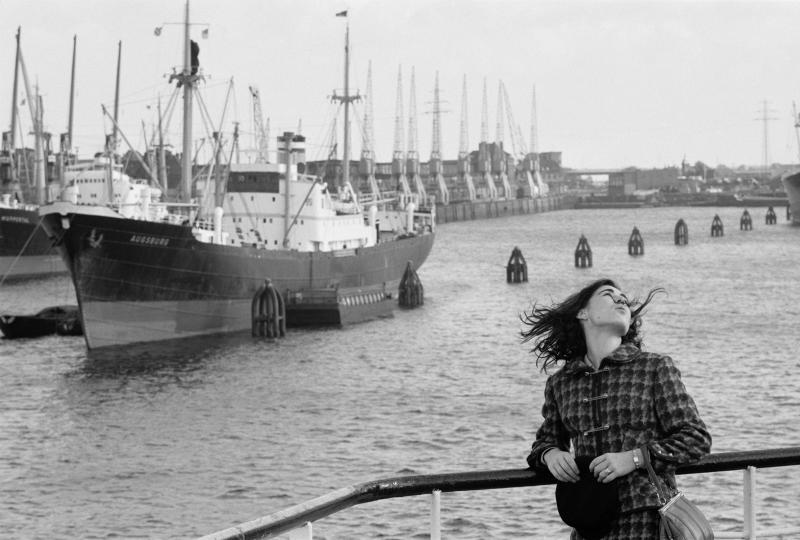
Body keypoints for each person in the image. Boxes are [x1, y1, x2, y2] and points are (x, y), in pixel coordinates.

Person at [522, 278, 712, 539]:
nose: (621, 299)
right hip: (588, 525)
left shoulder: (654, 368)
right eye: (609, 295)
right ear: (583, 312)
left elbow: (696, 439)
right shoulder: (561, 382)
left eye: (624, 297)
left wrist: (634, 458)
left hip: (647, 522)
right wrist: (550, 455)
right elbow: (544, 443)